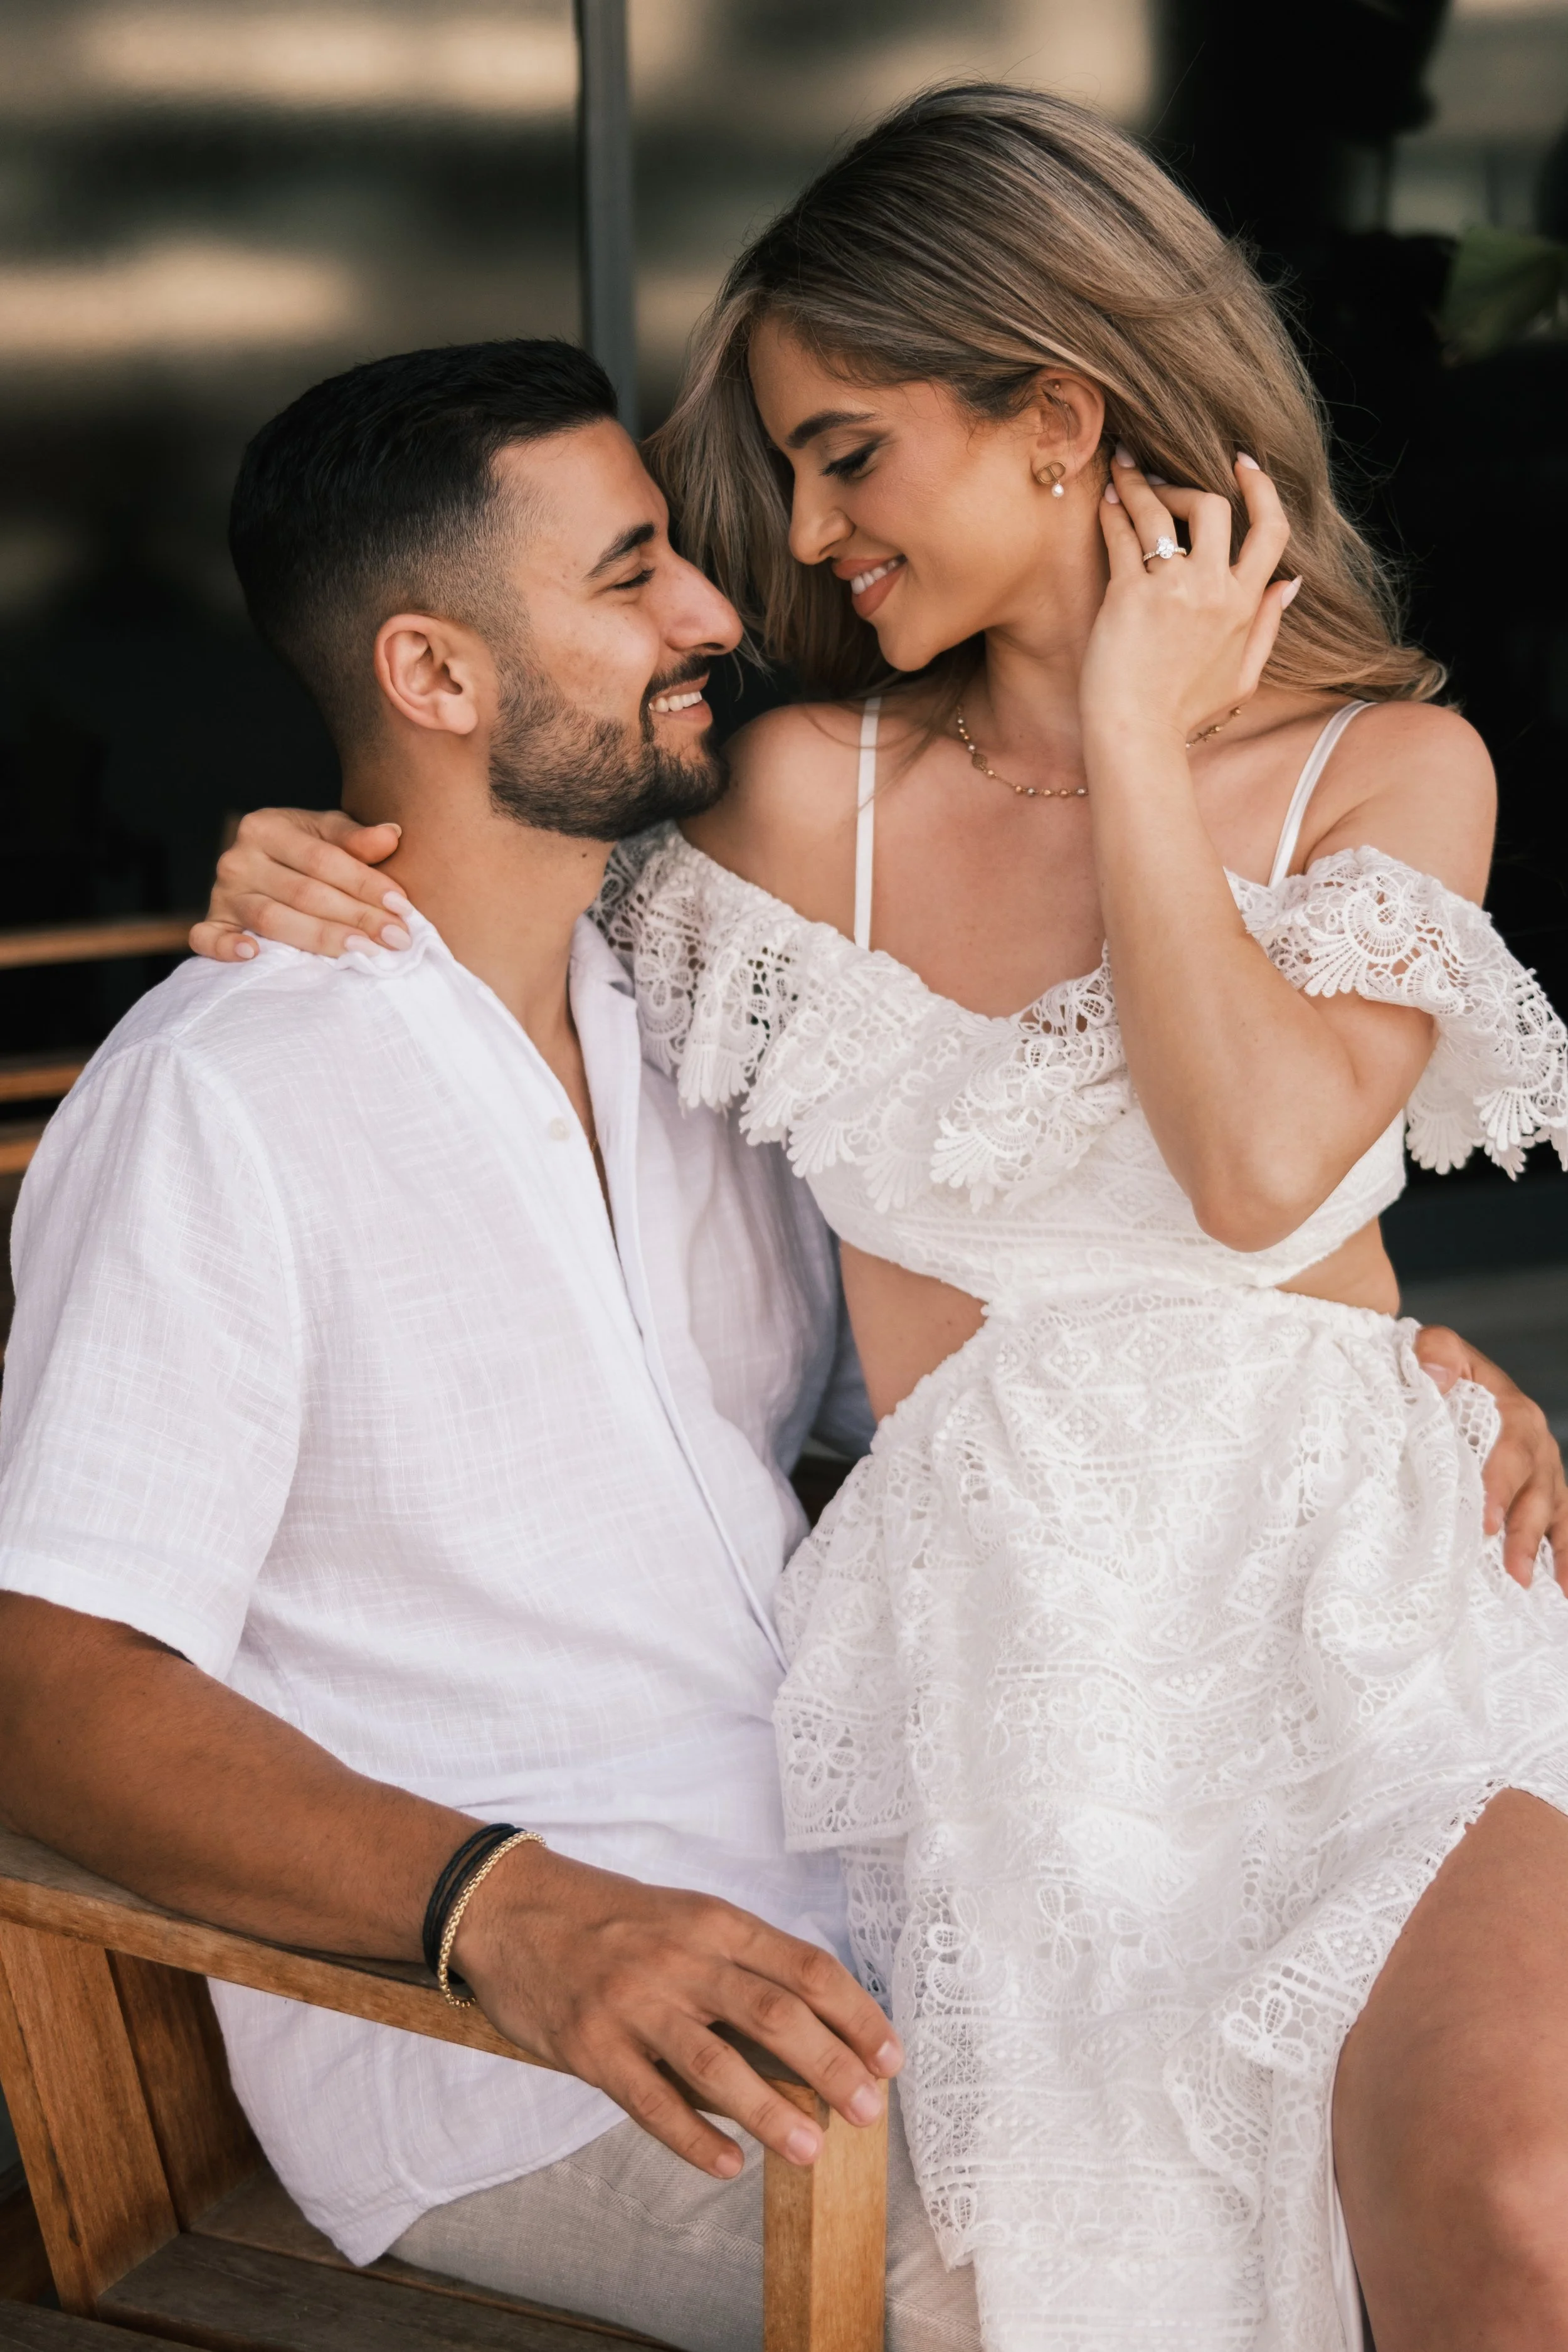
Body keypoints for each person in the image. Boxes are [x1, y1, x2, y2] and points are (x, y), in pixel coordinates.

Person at [198, 88, 1568, 2352]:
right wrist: (302, 847)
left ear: (1059, 418)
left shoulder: (1391, 770)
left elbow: (1249, 1173)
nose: (807, 531)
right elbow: (484, 904)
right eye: (790, 468)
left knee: (1512, 2203)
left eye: (848, 455)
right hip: (1004, 1679)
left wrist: (1134, 744)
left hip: (1373, 1610)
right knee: (1128, 2271)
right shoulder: (781, 805)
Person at [0, 339, 990, 2352]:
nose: (710, 611)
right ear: (434, 675)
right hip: (515, 2046)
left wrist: (1368, 1370)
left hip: (890, 1913)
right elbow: (49, 1686)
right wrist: (510, 1906)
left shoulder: (696, 1026)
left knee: (1363, 2141)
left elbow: (959, 1395)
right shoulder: (227, 1095)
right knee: (1057, 2288)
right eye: (631, 573)